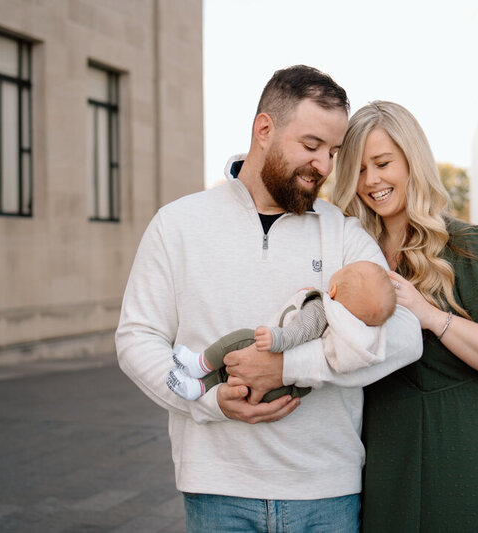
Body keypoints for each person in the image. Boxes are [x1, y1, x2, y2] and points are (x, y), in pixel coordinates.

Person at [115, 68, 422, 533]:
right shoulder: (177, 224)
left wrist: (289, 368)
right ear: (264, 130)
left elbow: (403, 336)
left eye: (334, 152)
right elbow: (137, 337)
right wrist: (208, 401)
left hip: (326, 492)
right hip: (218, 489)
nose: (324, 166)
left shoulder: (343, 231)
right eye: (311, 145)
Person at [332, 100, 478, 532]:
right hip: (383, 451)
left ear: (412, 161)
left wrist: (429, 316)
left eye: (383, 163)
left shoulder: (469, 246)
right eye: (360, 169)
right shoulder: (350, 252)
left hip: (466, 447)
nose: (371, 181)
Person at [167, 260, 397, 401]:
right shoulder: (357, 331)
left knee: (241, 340)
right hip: (290, 392)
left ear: (333, 289)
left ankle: (198, 364)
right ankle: (198, 388)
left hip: (278, 355)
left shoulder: (321, 309)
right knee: (232, 376)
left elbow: (301, 331)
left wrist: (276, 338)